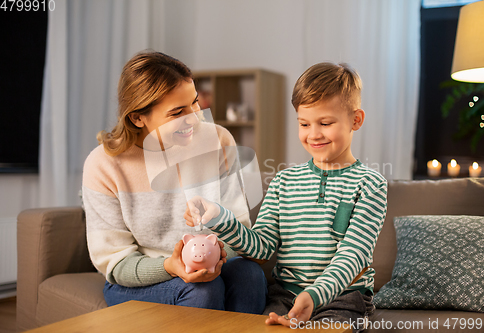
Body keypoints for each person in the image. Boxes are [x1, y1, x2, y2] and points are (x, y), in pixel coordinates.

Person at [185, 62, 388, 332]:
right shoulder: (283, 182)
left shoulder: (370, 185)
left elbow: (354, 255)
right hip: (284, 296)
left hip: (342, 297)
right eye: (304, 123)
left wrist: (315, 296)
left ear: (356, 120)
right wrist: (219, 218)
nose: (313, 134)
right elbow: (262, 247)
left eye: (325, 123)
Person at [82, 50, 267, 313]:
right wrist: (171, 265)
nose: (195, 117)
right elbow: (117, 264)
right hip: (138, 279)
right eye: (178, 112)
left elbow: (239, 228)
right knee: (202, 289)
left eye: (195, 102)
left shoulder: (217, 140)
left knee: (249, 275)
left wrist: (214, 256)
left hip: (209, 259)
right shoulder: (103, 164)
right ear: (137, 117)